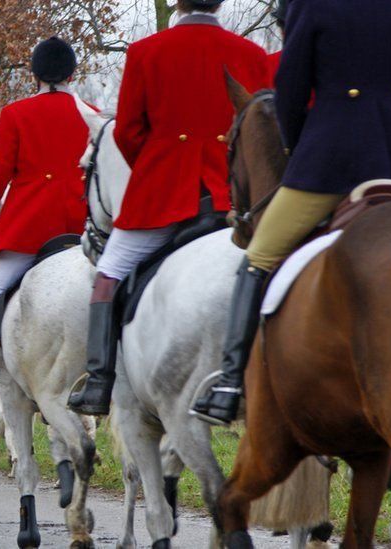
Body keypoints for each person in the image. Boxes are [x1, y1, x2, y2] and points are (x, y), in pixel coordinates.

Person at [192, 0, 391, 425]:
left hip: (332, 161)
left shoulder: (313, 6)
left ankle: (229, 384)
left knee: (259, 255)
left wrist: (298, 152)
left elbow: (290, 92)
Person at [67, 0, 271, 416]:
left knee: (107, 276)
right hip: (232, 196)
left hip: (164, 194)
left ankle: (100, 382)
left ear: (177, 3)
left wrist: (159, 163)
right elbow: (264, 127)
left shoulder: (146, 52)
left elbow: (127, 133)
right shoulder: (252, 54)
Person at [0, 37, 94, 403]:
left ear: (35, 75)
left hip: (30, 230)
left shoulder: (16, 114)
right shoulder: (93, 113)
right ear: (72, 72)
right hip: (82, 227)